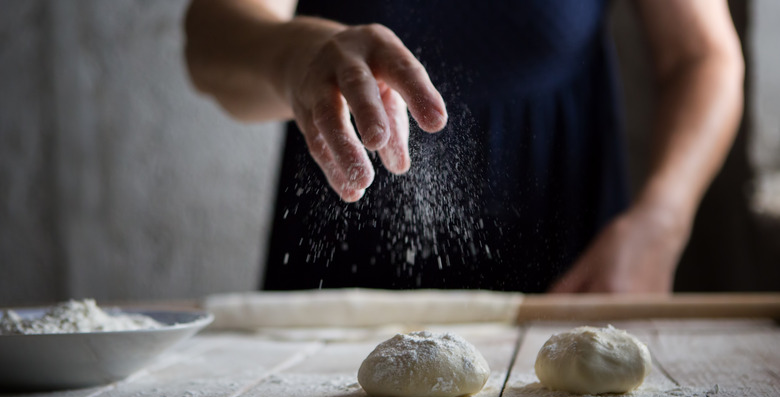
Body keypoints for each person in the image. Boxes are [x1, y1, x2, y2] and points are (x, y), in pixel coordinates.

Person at [184, 0, 744, 293]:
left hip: (569, 281)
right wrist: (296, 56)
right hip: (338, 285)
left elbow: (703, 57)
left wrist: (664, 220)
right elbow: (208, 37)